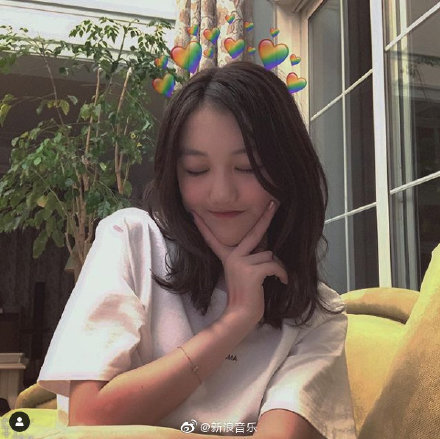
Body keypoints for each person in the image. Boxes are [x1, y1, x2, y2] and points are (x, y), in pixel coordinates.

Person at [37, 61, 357, 439]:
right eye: (196, 170)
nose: (221, 194)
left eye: (247, 167)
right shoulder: (133, 239)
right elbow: (90, 418)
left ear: (289, 172)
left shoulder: (317, 314)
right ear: (175, 175)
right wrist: (234, 321)